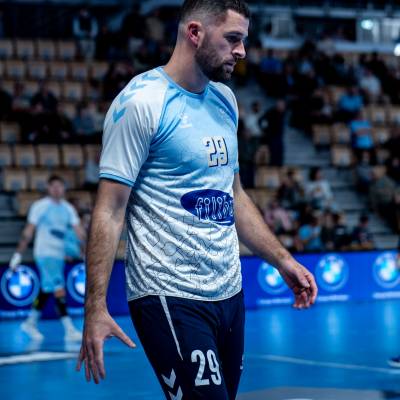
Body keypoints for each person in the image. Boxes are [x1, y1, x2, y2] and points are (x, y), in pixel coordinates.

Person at [77, 2, 318, 399]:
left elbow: (234, 195)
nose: (242, 51)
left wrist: (282, 259)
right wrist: (95, 306)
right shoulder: (141, 102)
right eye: (233, 39)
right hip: (168, 292)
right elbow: (109, 209)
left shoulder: (225, 100)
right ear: (194, 33)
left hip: (229, 291)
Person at [9, 175, 85, 341]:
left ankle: (30, 323)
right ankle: (69, 330)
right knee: (59, 288)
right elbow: (28, 231)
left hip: (59, 255)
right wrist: (18, 254)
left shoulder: (68, 209)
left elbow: (79, 232)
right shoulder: (40, 206)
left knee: (46, 289)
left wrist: (86, 251)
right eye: (53, 186)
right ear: (48, 188)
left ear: (64, 188)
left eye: (60, 186)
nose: (57, 189)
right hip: (44, 254)